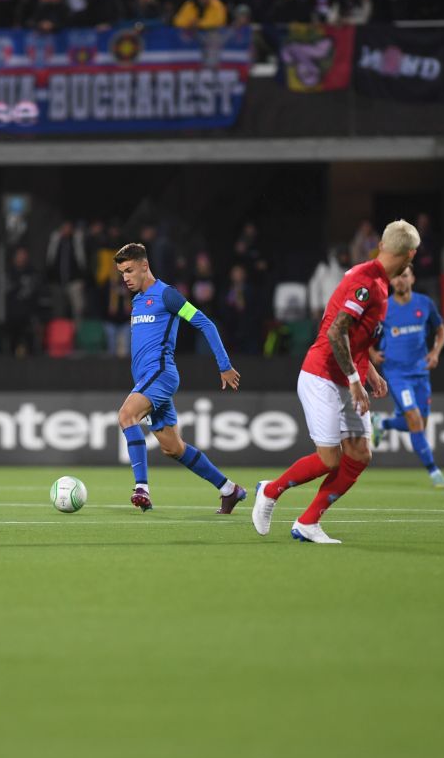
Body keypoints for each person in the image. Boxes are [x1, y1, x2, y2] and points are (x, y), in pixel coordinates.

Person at [252, 219, 418, 545]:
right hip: (322, 376)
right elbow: (335, 331)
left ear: (383, 245)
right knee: (329, 459)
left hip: (347, 374)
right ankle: (270, 490)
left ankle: (308, 522)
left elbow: (355, 337)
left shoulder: (377, 280)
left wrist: (368, 371)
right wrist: (357, 381)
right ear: (410, 254)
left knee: (359, 454)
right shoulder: (368, 282)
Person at [113, 242, 244, 514]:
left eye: (128, 270)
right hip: (147, 380)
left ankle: (141, 488)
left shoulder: (167, 296)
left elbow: (204, 323)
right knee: (173, 448)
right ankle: (229, 490)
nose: (124, 277)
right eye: (121, 272)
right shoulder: (137, 299)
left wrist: (224, 365)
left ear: (144, 266)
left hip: (161, 375)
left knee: (126, 416)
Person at [370, 264, 444, 487]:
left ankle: (382, 423)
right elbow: (364, 334)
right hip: (396, 373)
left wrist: (435, 351)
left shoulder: (424, 304)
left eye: (404, 276)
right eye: (396, 277)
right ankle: (434, 471)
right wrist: (372, 353)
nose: (400, 281)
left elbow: (441, 330)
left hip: (421, 372)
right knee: (414, 419)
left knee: (418, 424)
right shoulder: (384, 307)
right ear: (391, 282)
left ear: (412, 278)